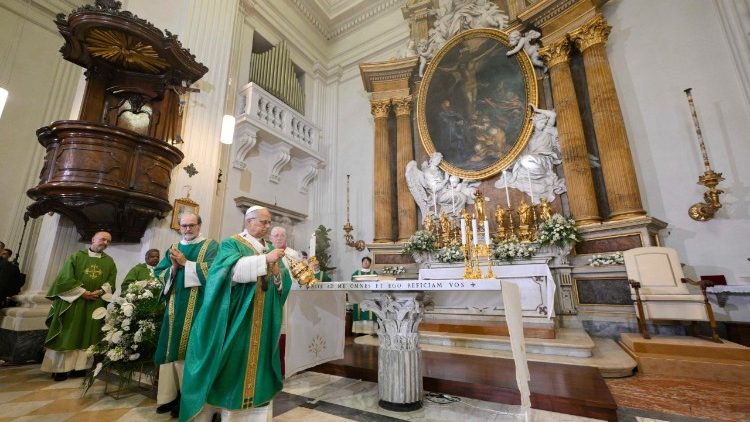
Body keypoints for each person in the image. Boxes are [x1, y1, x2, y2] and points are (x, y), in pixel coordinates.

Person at [180, 205, 293, 422]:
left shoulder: (269, 247)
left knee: (259, 364)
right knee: (233, 362)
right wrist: (265, 261)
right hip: (239, 317)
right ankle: (229, 412)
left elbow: (282, 283)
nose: (267, 226)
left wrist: (278, 273)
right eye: (263, 222)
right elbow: (227, 272)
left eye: (269, 222)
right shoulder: (232, 243)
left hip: (264, 318)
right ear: (249, 221)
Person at [153, 213, 218, 418]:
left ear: (199, 226)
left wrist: (186, 263)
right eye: (184, 226)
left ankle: (190, 399)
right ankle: (169, 397)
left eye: (191, 225)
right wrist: (173, 267)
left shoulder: (210, 246)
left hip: (199, 307)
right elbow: (160, 272)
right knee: (170, 349)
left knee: (192, 351)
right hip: (174, 307)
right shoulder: (173, 247)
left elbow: (215, 272)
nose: (187, 229)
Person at [41, 231, 116, 381]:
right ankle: (60, 369)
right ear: (93, 239)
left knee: (88, 334)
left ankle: (80, 368)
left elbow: (111, 281)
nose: (105, 243)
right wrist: (82, 292)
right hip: (73, 302)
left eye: (108, 241)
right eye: (103, 239)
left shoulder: (109, 261)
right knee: (68, 333)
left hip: (95, 303)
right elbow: (65, 278)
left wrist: (101, 291)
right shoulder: (76, 256)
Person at [350, 257, 378, 334]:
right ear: (362, 263)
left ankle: (371, 330)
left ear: (370, 263)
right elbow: (352, 282)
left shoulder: (374, 273)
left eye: (367, 261)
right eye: (364, 261)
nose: (365, 263)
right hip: (359, 295)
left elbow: (377, 283)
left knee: (371, 310)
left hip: (370, 295)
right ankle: (359, 330)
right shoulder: (356, 273)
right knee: (359, 310)